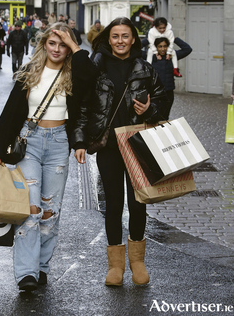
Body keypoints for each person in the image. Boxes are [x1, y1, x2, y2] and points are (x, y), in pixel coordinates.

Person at [56, 17, 169, 287]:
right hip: (108, 145)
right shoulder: (96, 66)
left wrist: (150, 110)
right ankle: (115, 266)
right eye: (115, 36)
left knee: (138, 202)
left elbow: (163, 100)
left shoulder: (144, 67)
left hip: (138, 144)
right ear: (109, 39)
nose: (120, 41)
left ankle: (138, 262)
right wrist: (80, 141)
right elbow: (82, 104)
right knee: (114, 205)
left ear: (133, 40)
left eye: (125, 36)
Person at [0, 22, 79, 292]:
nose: (57, 49)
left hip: (60, 143)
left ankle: (41, 267)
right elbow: (10, 112)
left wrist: (75, 47)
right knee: (31, 210)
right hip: (30, 142)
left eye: (63, 44)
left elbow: (92, 75)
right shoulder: (29, 73)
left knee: (50, 212)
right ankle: (26, 273)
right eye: (52, 43)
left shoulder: (75, 74)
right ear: (43, 44)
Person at [142, 36, 192, 118]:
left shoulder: (172, 56)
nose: (163, 49)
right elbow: (134, 50)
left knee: (165, 116)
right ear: (156, 47)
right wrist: (147, 40)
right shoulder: (150, 57)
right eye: (160, 46)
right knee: (154, 116)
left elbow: (187, 49)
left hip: (168, 92)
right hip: (154, 93)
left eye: (165, 46)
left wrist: (175, 39)